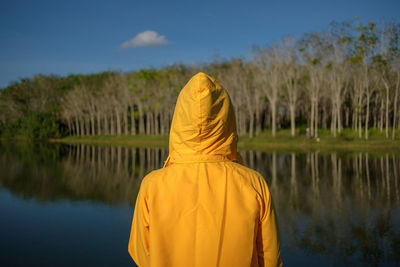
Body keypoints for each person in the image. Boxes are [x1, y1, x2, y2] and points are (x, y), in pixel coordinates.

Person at [128, 72, 282, 267]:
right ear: (227, 120)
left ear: (179, 121)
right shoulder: (253, 182)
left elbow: (141, 253)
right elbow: (269, 258)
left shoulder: (152, 185)